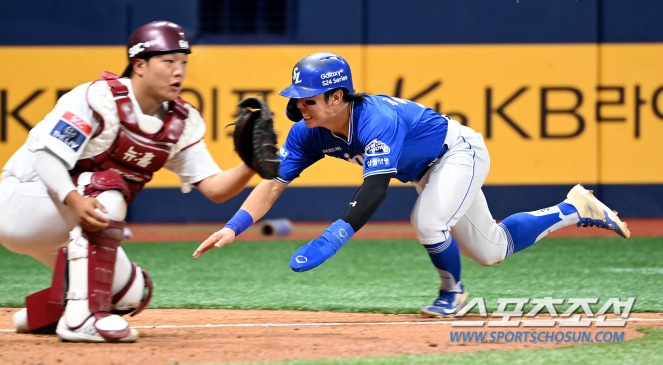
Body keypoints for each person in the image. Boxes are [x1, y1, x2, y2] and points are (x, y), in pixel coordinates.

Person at [193, 52, 631, 318]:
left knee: (427, 222)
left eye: (308, 98)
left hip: (457, 153)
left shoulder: (376, 119)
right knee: (492, 250)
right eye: (297, 97)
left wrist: (330, 240)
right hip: (427, 171)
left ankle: (452, 295)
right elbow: (272, 186)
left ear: (336, 97)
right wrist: (234, 226)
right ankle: (576, 208)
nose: (299, 105)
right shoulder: (309, 131)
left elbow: (375, 190)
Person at [0, 21, 256, 342]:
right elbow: (47, 157)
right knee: (107, 188)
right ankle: (80, 321)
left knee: (131, 291)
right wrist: (75, 199)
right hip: (21, 204)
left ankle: (35, 316)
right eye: (168, 62)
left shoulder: (178, 121)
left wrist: (251, 165)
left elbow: (215, 188)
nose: (178, 72)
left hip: (70, 217)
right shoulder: (97, 97)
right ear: (139, 65)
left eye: (183, 62)